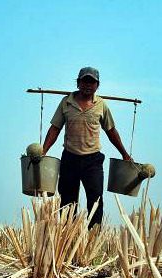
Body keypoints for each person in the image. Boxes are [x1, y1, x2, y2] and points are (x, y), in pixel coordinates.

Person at [42, 67, 131, 229]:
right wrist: (43, 151)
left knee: (95, 200)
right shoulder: (66, 102)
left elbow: (111, 131)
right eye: (84, 81)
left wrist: (124, 153)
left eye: (92, 82)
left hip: (93, 161)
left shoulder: (101, 105)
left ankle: (93, 237)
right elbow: (55, 128)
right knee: (67, 202)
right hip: (70, 158)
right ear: (78, 83)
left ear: (97, 85)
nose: (88, 85)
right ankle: (67, 236)